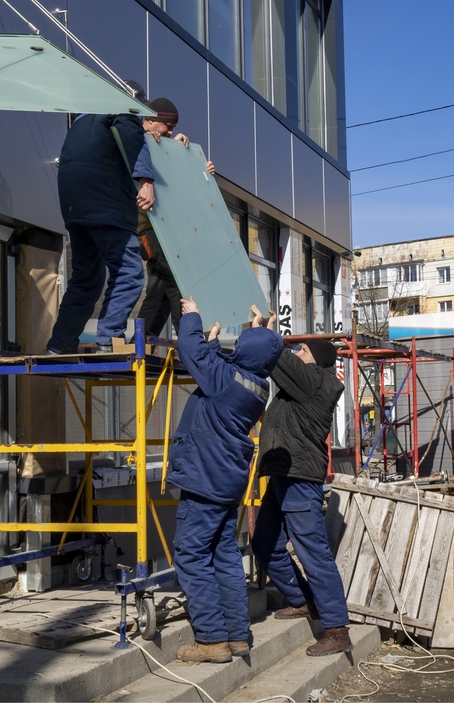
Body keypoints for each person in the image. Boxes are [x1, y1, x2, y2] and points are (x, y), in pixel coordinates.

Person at [169, 298, 283, 663]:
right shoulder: (256, 385)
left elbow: (191, 350)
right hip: (224, 481)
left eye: (245, 338)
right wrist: (222, 342)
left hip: (204, 478)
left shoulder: (226, 382)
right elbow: (227, 367)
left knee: (190, 554)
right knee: (223, 554)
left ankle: (211, 639)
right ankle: (236, 635)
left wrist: (193, 318)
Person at [250, 318, 353, 657]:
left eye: (303, 350)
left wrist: (264, 333)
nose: (297, 351)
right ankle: (303, 599)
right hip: (283, 474)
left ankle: (337, 629)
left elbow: (276, 356)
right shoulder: (303, 382)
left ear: (318, 360)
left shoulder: (315, 382)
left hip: (299, 479)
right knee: (265, 542)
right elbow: (274, 361)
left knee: (313, 553)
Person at [47, 85, 155, 354]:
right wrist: (145, 179)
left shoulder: (83, 120)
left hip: (75, 206)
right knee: (128, 272)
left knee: (86, 278)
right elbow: (131, 133)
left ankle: (60, 345)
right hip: (105, 201)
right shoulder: (121, 109)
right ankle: (108, 339)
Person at [136, 97, 215, 339]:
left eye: (173, 127)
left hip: (163, 230)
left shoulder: (164, 147)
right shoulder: (137, 142)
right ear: (149, 121)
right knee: (179, 281)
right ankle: (189, 340)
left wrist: (199, 169)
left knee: (159, 291)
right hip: (148, 231)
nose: (171, 131)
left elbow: (182, 192)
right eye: (167, 126)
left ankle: (141, 339)